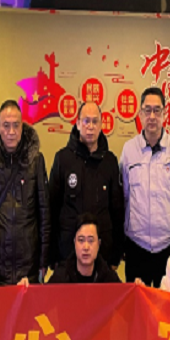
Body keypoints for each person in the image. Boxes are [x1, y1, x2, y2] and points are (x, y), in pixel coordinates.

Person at [0, 99, 50, 285]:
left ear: (22, 127)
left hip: (28, 260)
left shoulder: (36, 161)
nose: (11, 132)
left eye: (16, 125)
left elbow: (44, 214)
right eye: (6, 126)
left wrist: (44, 260)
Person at [120, 87, 170, 286]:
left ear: (165, 114)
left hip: (168, 245)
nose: (152, 116)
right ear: (140, 114)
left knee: (166, 303)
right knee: (136, 302)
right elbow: (123, 198)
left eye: (157, 110)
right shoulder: (129, 150)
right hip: (137, 244)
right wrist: (122, 241)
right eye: (147, 110)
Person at [49, 101, 124, 269]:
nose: (90, 126)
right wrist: (51, 255)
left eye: (95, 121)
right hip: (67, 253)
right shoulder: (63, 159)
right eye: (86, 121)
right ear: (77, 124)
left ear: (101, 125)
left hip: (103, 255)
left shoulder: (110, 161)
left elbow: (117, 211)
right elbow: (52, 208)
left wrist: (116, 256)